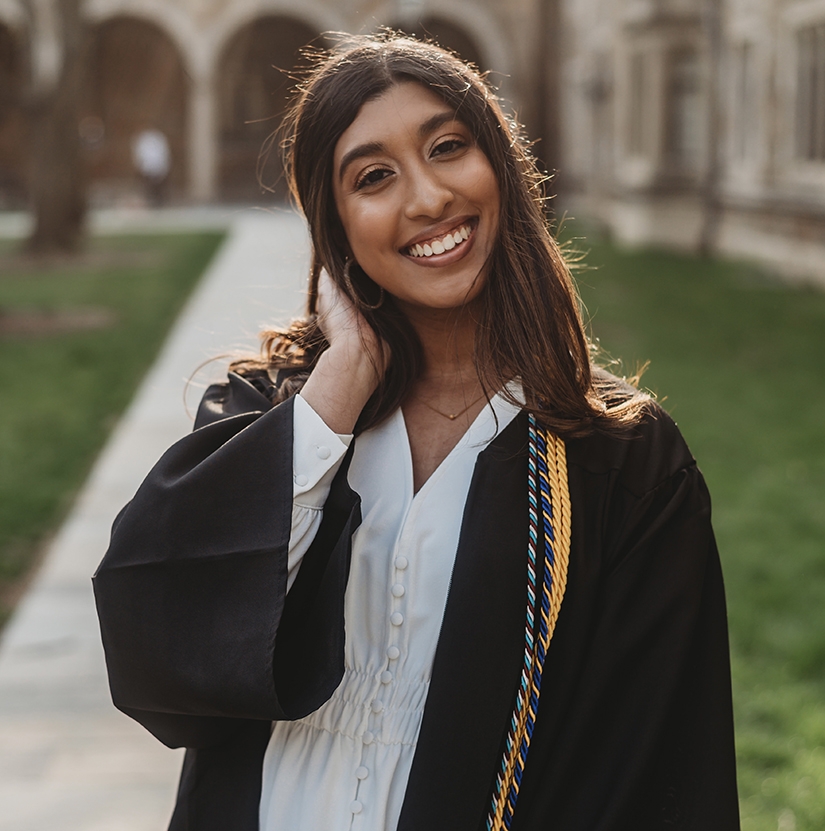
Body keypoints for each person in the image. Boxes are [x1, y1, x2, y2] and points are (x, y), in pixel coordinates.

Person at [94, 33, 740, 831]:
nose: (428, 197)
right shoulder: (267, 414)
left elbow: (659, 762)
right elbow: (158, 650)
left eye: (447, 148)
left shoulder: (619, 460)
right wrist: (334, 390)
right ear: (334, 223)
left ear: (500, 167)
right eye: (373, 177)